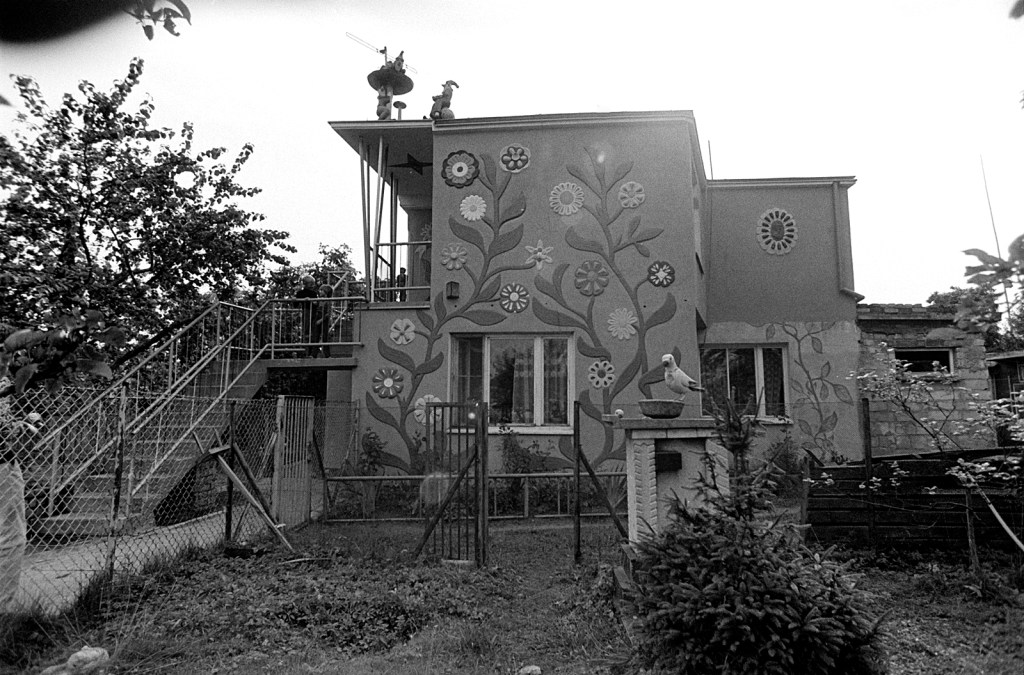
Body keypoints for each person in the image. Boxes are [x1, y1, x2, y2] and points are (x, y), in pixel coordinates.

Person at [295, 275, 318, 356]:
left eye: (313, 283)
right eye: (310, 284)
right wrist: (299, 300)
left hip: (314, 312)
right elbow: (295, 304)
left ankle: (312, 351)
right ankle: (306, 351)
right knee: (306, 331)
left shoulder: (314, 293)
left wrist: (312, 302)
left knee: (313, 331)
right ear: (305, 284)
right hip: (306, 312)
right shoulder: (300, 293)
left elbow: (316, 304)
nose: (312, 285)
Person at [316, 283, 333, 357]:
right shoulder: (319, 300)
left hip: (324, 321)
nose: (320, 292)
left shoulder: (328, 301)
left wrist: (321, 320)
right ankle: (314, 354)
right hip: (317, 319)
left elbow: (328, 313)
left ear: (326, 292)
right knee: (315, 337)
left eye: (322, 290)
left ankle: (327, 354)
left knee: (325, 337)